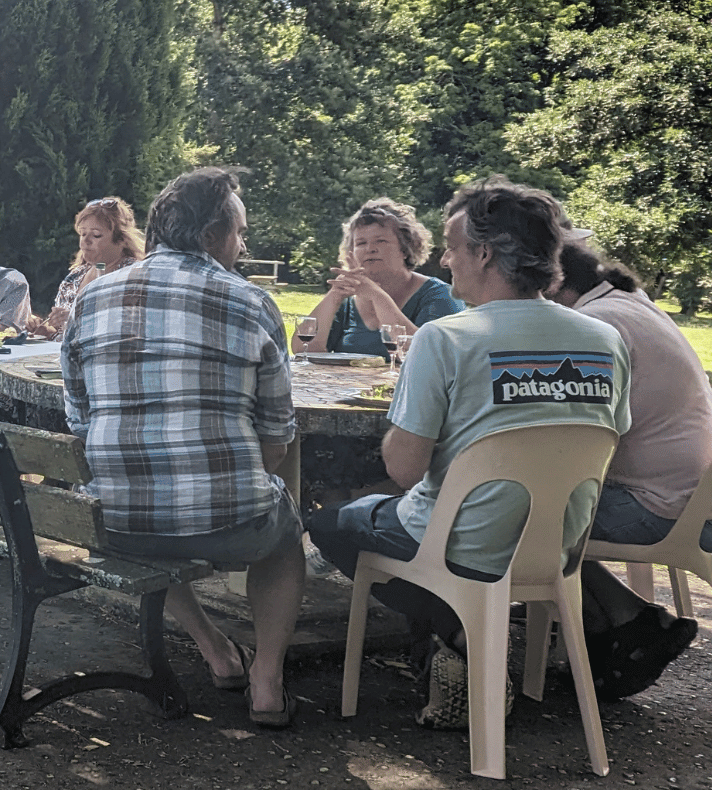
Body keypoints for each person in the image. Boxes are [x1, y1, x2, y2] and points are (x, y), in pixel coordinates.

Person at [307, 177, 633, 728]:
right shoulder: (605, 340)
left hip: (459, 544)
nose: (445, 259)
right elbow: (608, 448)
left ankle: (461, 634)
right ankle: (468, 641)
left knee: (331, 523)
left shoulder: (445, 338)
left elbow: (405, 470)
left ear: (484, 253)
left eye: (453, 247)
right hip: (557, 544)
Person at [62, 168, 305, 728]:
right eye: (240, 232)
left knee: (152, 524)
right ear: (215, 231)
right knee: (285, 536)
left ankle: (214, 646)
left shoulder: (91, 299)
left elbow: (79, 419)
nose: (243, 245)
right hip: (230, 519)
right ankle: (266, 680)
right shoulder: (252, 302)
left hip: (114, 520)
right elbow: (276, 436)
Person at [550, 241, 706, 698]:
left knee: (512, 513)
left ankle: (624, 623)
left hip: (657, 504)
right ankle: (617, 626)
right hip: (692, 492)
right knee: (537, 508)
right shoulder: (631, 304)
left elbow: (574, 435)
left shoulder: (597, 324)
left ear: (554, 285)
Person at [295, 198, 463, 358]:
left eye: (380, 241)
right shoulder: (346, 302)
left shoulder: (440, 295)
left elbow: (430, 355)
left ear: (405, 249)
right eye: (361, 243)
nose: (370, 249)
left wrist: (377, 296)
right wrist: (334, 297)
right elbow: (303, 351)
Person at [30, 197, 144, 339]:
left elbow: (132, 328)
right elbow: (65, 337)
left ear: (121, 240)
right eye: (83, 233)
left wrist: (76, 319)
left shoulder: (134, 274)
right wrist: (48, 332)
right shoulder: (75, 277)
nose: (86, 240)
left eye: (96, 235)